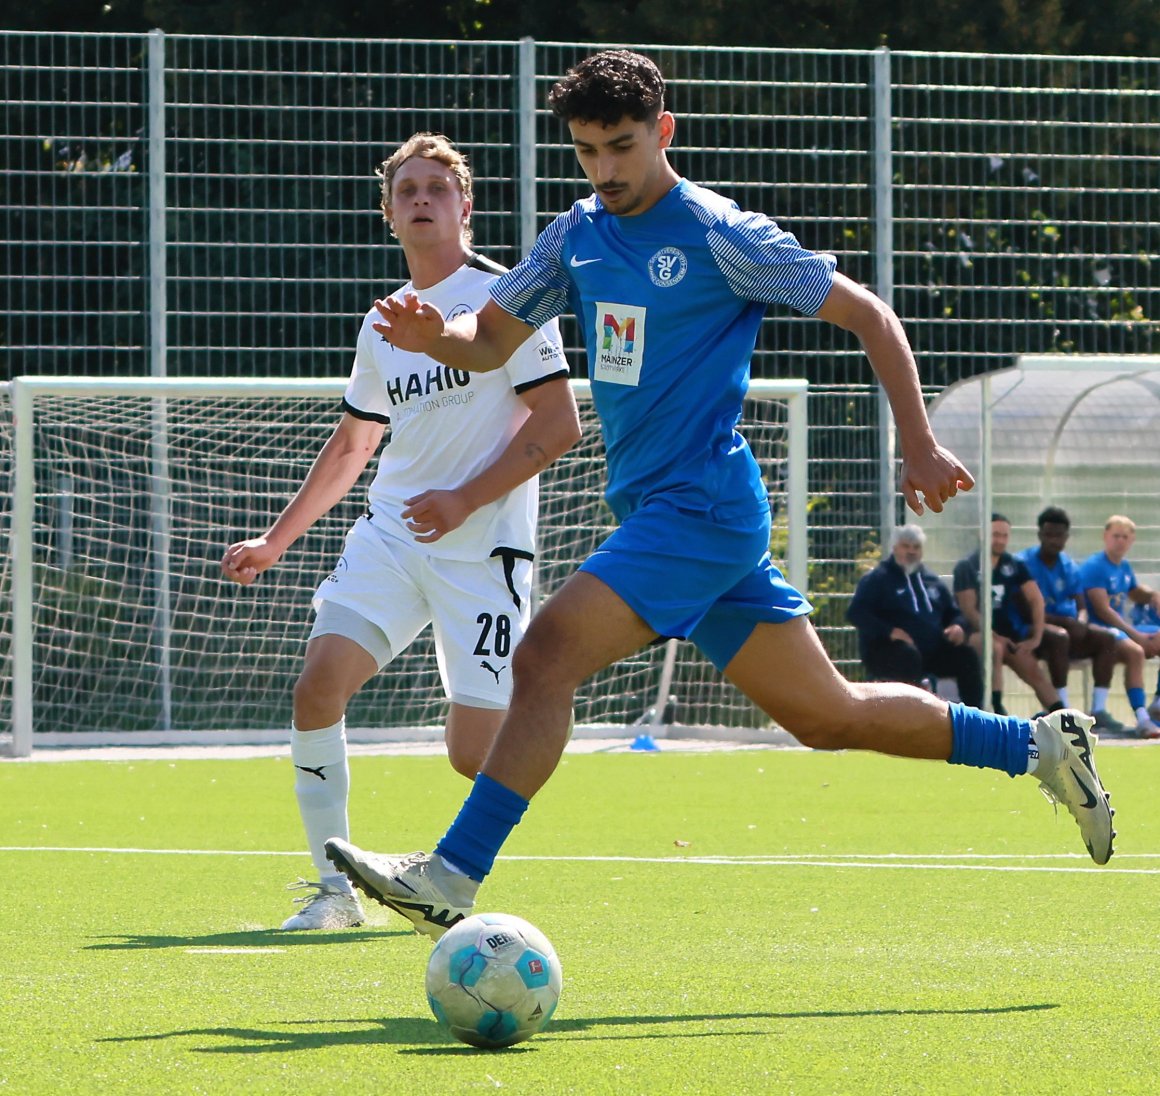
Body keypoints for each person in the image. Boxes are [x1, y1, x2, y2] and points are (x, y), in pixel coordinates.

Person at [323, 50, 1116, 940]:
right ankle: (1040, 744)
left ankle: (453, 873)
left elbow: (870, 316)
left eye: (622, 146)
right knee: (827, 715)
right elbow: (487, 339)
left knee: (543, 656)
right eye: (587, 151)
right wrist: (442, 333)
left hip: (698, 509)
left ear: (663, 131)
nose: (606, 170)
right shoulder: (576, 234)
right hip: (675, 519)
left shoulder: (718, 233)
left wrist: (920, 443)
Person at [220, 132, 580, 930]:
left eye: (437, 188)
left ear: (465, 207)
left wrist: (463, 499)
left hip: (483, 550)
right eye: (407, 190)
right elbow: (354, 444)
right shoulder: (382, 324)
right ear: (388, 215)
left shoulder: (509, 300)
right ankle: (334, 894)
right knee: (317, 688)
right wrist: (276, 541)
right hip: (391, 538)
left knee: (472, 754)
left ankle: (452, 871)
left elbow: (559, 427)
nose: (422, 199)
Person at [1018, 505, 1131, 735]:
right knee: (1059, 638)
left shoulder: (1068, 565)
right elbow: (1025, 610)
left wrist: (1080, 619)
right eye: (1048, 534)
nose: (1053, 540)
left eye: (1059, 535)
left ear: (1066, 537)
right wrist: (1067, 623)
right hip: (1033, 631)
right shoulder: (1024, 563)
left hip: (1067, 629)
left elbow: (1081, 605)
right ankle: (1062, 712)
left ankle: (1098, 711)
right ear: (1040, 534)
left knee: (1106, 638)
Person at [847, 524, 983, 706]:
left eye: (916, 547)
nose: (911, 552)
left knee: (966, 656)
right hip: (889, 651)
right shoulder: (878, 579)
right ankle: (913, 715)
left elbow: (954, 612)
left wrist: (958, 626)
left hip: (931, 650)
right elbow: (856, 613)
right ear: (894, 548)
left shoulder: (931, 580)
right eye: (906, 546)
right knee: (908, 657)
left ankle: (975, 718)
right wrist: (890, 631)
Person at [952, 514, 1068, 717]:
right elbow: (968, 610)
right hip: (977, 634)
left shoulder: (1013, 564)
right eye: (995, 534)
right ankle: (996, 710)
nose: (1000, 540)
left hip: (1008, 636)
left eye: (1005, 536)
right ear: (983, 535)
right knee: (994, 649)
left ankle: (1062, 717)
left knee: (1032, 669)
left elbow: (1036, 599)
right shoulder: (967, 566)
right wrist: (995, 636)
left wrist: (1036, 638)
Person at [1079, 515, 1160, 737]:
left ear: (1132, 540)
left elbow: (1134, 592)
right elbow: (1104, 611)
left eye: (1125, 537)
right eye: (1116, 536)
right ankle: (1143, 719)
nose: (1120, 541)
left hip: (1120, 631)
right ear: (1105, 537)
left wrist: (1153, 595)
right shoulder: (1095, 567)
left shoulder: (1123, 566)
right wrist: (1138, 636)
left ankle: (1158, 703)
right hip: (1098, 632)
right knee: (1136, 651)